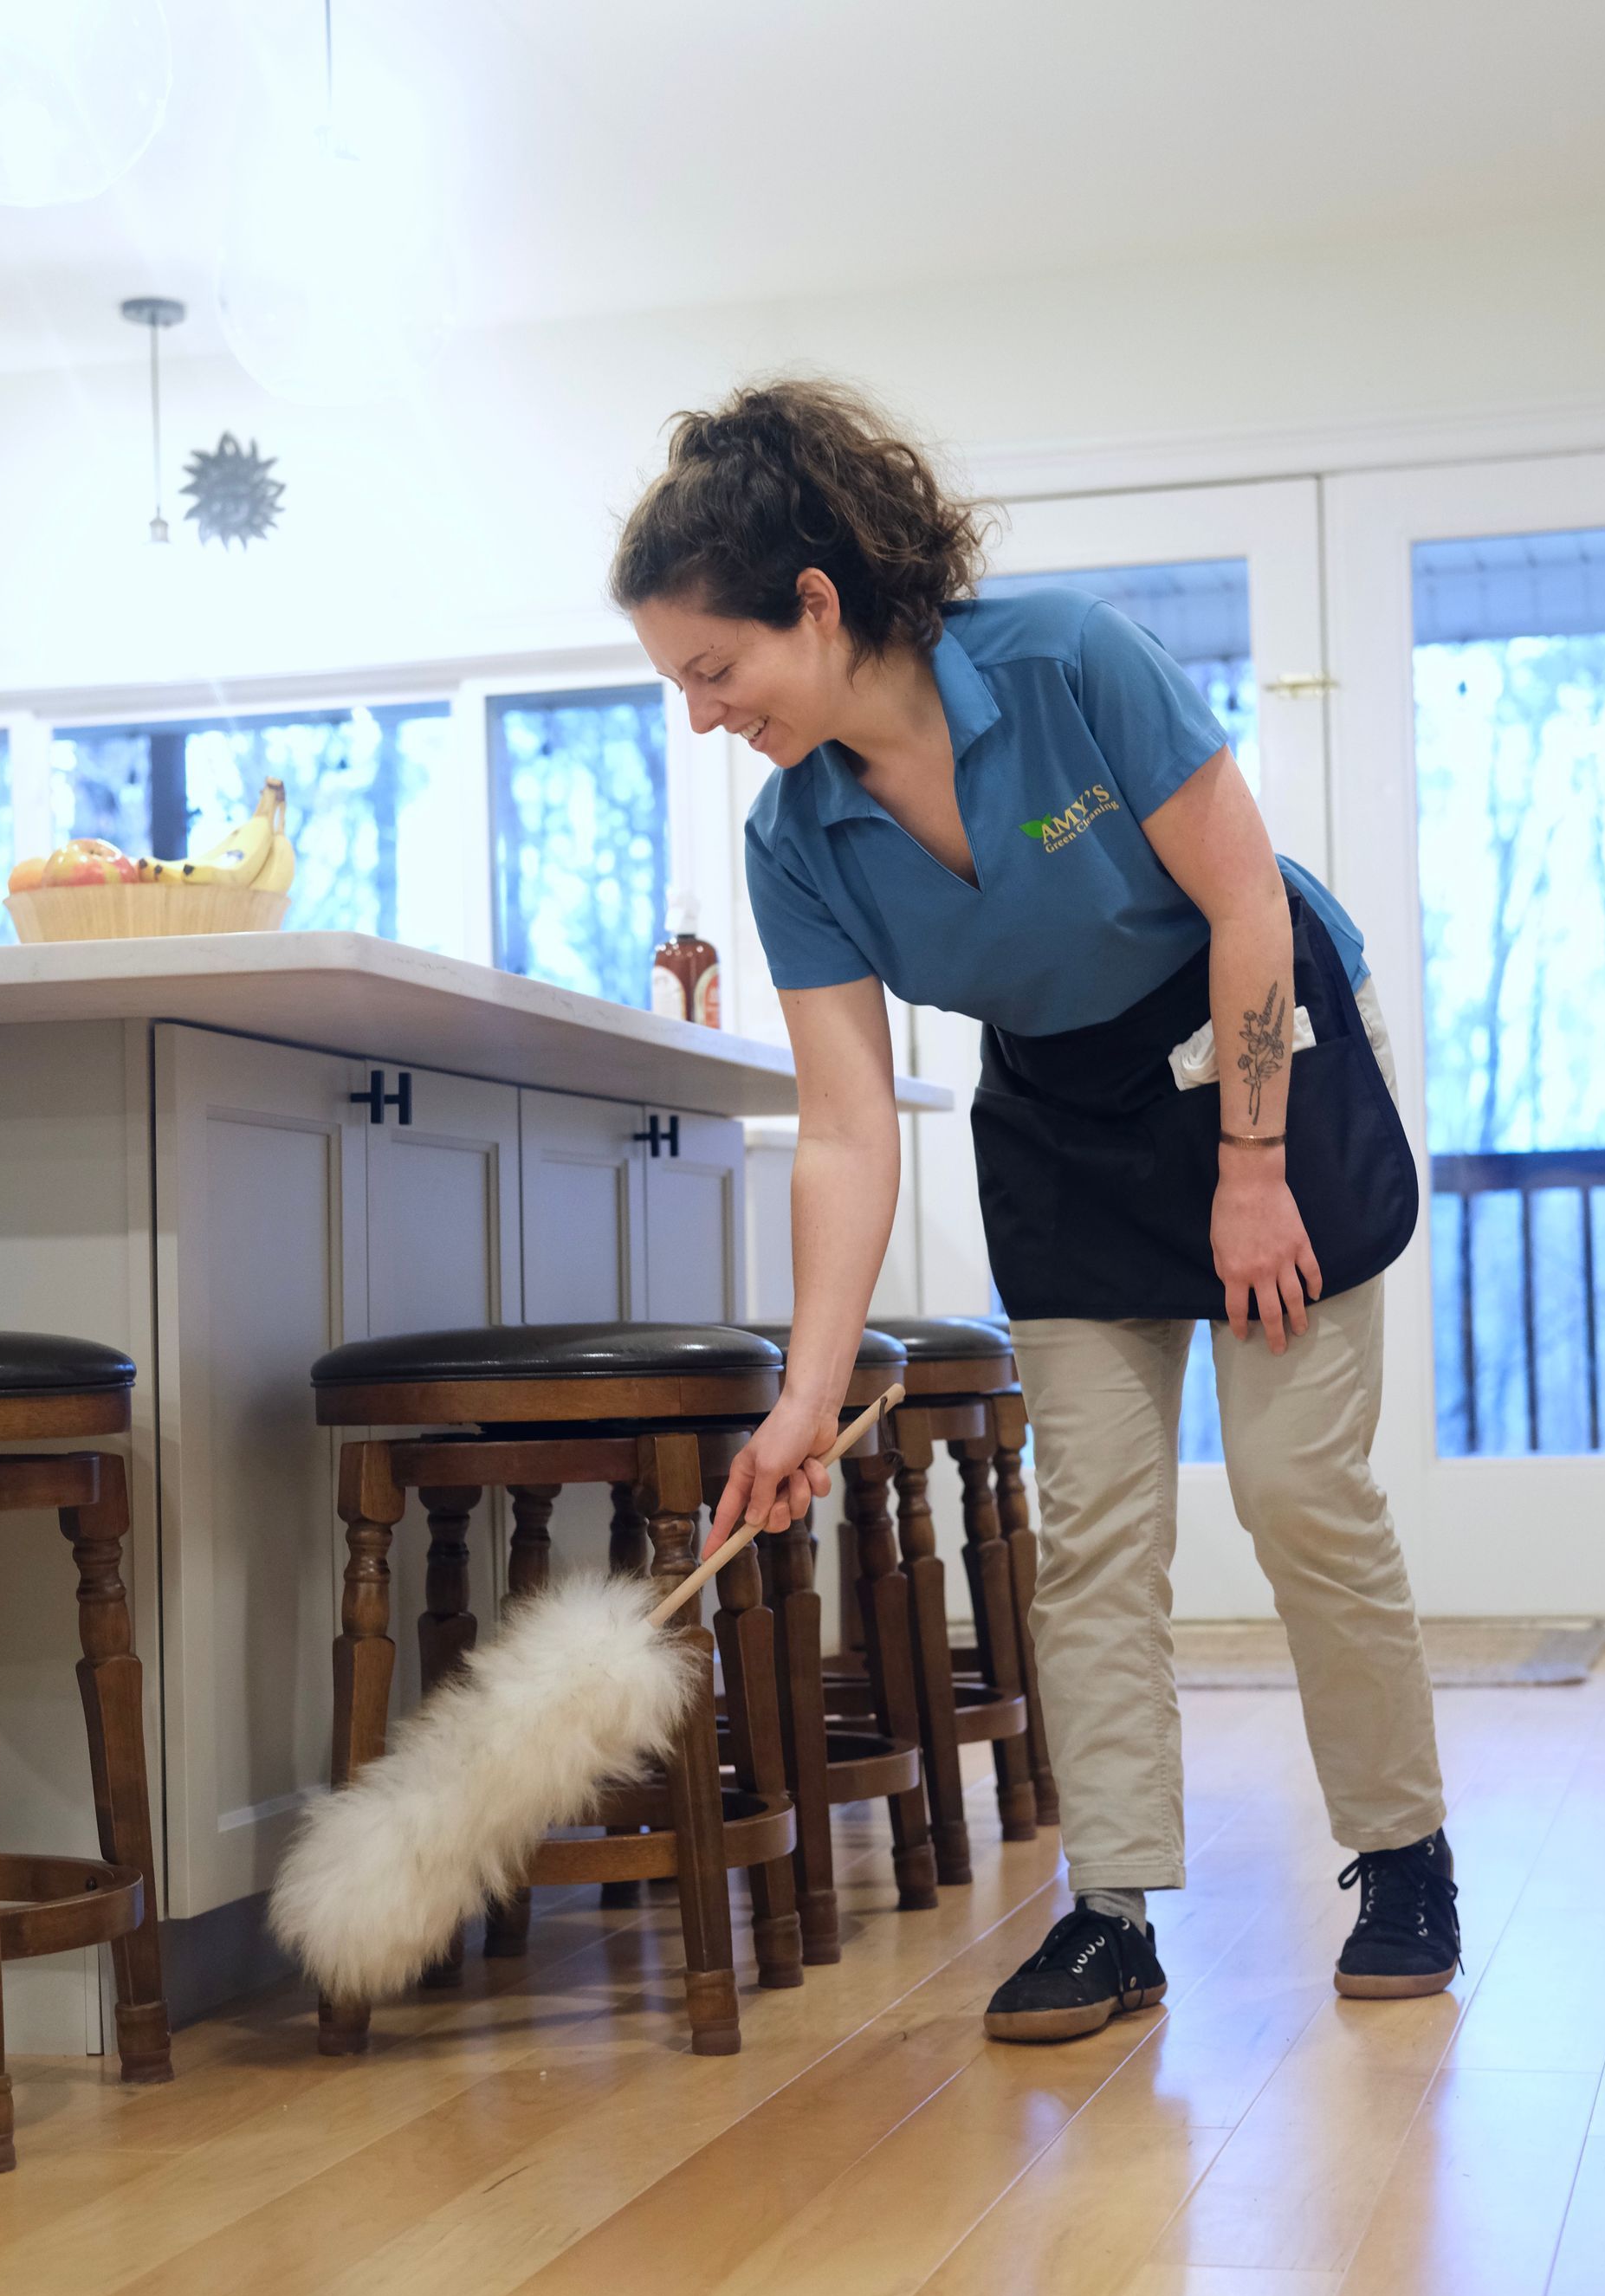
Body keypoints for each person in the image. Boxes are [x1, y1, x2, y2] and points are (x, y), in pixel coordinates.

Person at [611, 378, 1460, 2043]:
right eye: (681, 689)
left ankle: (1406, 1855)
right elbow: (850, 1129)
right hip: (1064, 1128)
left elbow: (1245, 904)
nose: (704, 716)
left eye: (715, 672)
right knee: (1096, 1538)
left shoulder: (1069, 663)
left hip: (1257, 1055)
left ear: (815, 602)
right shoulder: (802, 838)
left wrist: (1252, 1169)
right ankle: (1116, 1911)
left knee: (1299, 1490)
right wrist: (802, 1398)